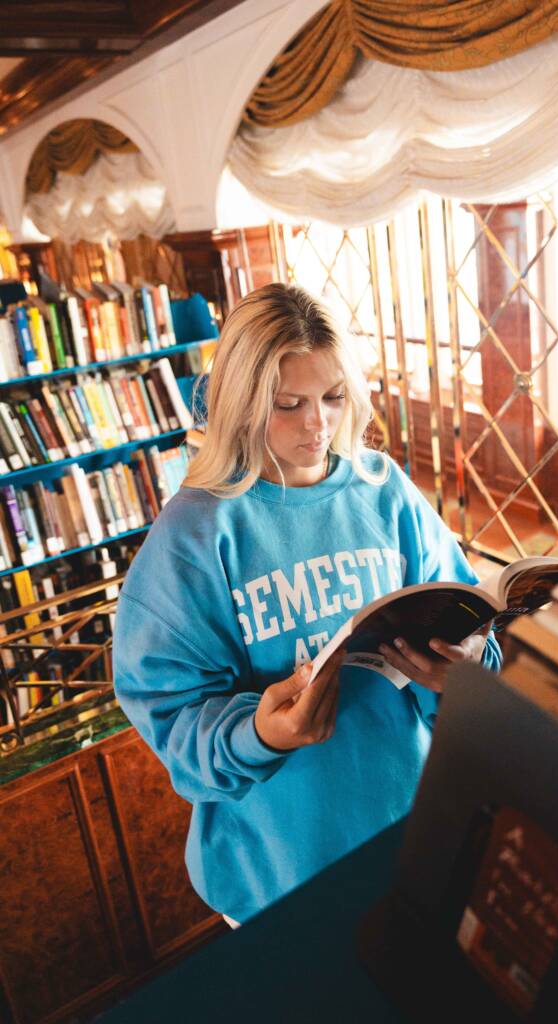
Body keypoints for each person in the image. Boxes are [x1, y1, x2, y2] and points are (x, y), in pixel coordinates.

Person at [112, 283, 502, 927]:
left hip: (412, 831)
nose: (317, 424)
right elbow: (171, 714)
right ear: (239, 406)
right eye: (288, 405)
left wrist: (462, 670)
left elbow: (467, 629)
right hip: (277, 870)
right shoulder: (195, 535)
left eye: (332, 397)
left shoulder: (386, 493)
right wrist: (263, 734)